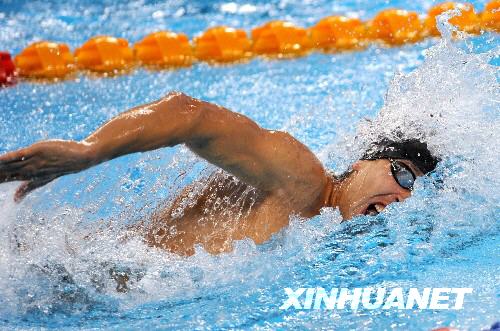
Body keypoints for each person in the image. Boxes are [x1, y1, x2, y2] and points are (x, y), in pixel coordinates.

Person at [0, 92, 439, 256]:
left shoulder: (319, 228)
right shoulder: (304, 180)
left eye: (413, 193)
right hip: (72, 276)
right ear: (360, 164)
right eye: (402, 175)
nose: (403, 196)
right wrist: (89, 152)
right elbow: (191, 116)